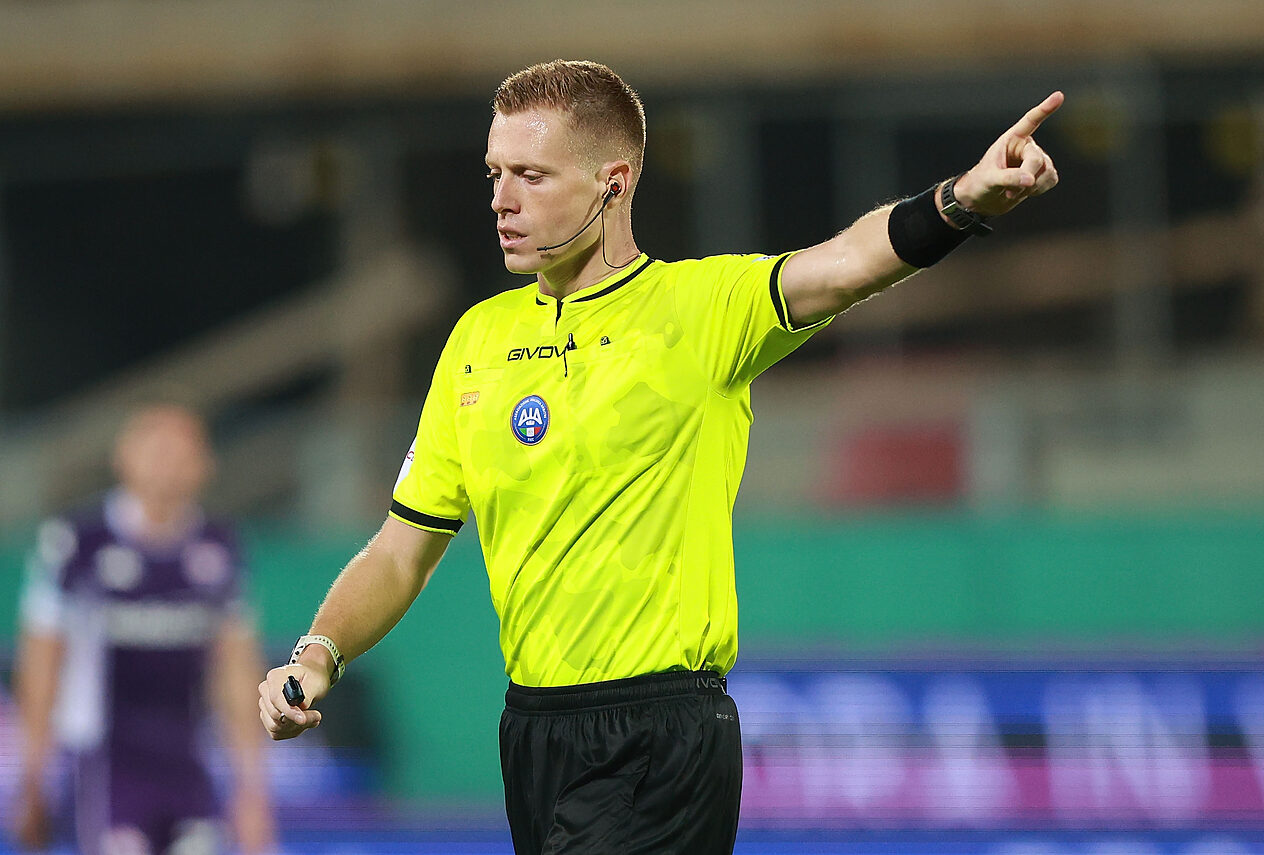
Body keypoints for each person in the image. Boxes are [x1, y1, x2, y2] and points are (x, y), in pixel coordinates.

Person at [259, 60, 1062, 854]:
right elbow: (402, 551)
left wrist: (962, 199)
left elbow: (848, 263)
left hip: (661, 732)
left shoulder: (701, 309)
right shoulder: (478, 342)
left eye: (532, 176)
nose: (501, 200)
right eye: (495, 173)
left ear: (613, 182)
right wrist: (319, 653)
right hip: (534, 732)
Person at [15, 404, 275, 855]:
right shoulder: (77, 544)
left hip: (188, 763)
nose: (168, 465)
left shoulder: (220, 548)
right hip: (106, 764)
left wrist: (252, 788)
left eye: (182, 452)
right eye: (156, 450)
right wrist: (33, 774)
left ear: (205, 465)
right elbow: (42, 662)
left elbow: (235, 669)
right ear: (123, 458)